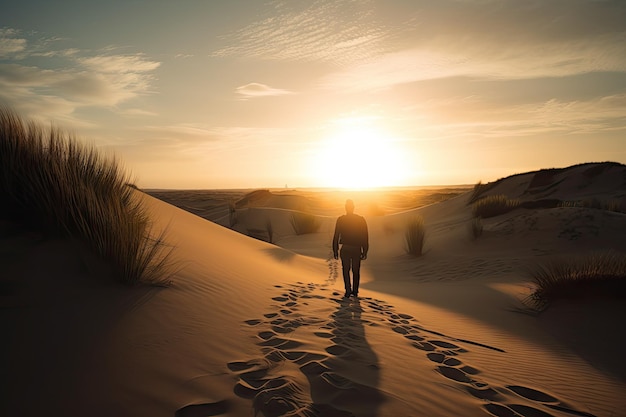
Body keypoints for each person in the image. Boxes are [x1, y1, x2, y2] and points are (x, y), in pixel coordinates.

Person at [332, 199, 369, 298]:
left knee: (346, 270)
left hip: (346, 248)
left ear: (346, 208)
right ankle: (355, 291)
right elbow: (365, 236)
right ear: (353, 208)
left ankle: (348, 290)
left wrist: (335, 250)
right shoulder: (360, 219)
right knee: (355, 270)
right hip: (356, 249)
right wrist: (365, 250)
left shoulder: (341, 219)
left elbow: (336, 235)